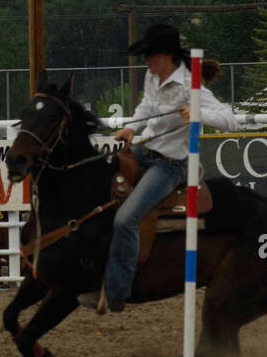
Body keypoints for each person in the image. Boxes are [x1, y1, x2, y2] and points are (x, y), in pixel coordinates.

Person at [80, 23, 238, 313]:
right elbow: (146, 106)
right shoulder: (152, 77)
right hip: (144, 150)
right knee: (99, 188)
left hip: (171, 166)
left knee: (126, 218)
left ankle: (116, 292)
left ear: (166, 55)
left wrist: (199, 113)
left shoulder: (191, 85)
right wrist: (131, 128)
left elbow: (230, 119)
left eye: (149, 55)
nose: (146, 61)